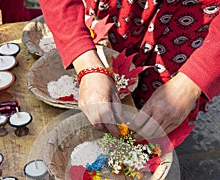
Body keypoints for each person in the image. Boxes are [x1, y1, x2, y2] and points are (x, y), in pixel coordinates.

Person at [38, 0, 220, 147]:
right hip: (121, 11)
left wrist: (190, 83)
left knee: (161, 119)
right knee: (109, 81)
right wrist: (86, 63)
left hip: (190, 22)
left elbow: (184, 90)